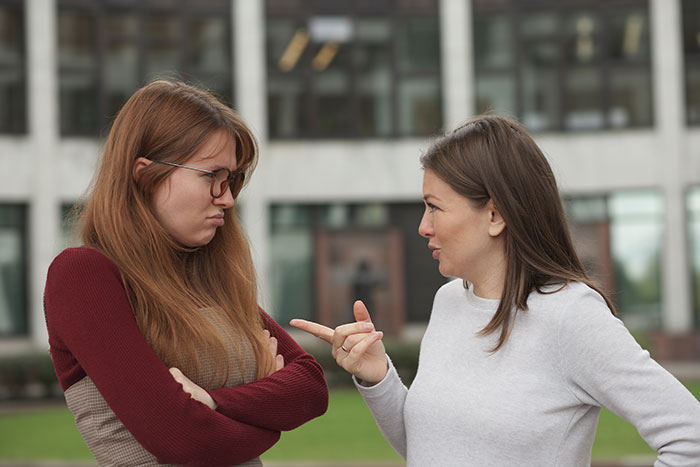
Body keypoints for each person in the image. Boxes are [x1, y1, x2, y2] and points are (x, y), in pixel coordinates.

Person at [291, 115, 700, 466]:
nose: (423, 226)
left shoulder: (571, 316)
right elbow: (429, 448)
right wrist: (378, 377)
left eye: (434, 206)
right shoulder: (448, 301)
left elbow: (690, 437)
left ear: (494, 214)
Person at [44, 80, 328, 466]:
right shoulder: (84, 275)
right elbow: (183, 439)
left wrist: (214, 401)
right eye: (211, 176)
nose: (227, 198)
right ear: (144, 175)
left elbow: (311, 388)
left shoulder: (207, 279)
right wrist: (268, 416)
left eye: (232, 180)